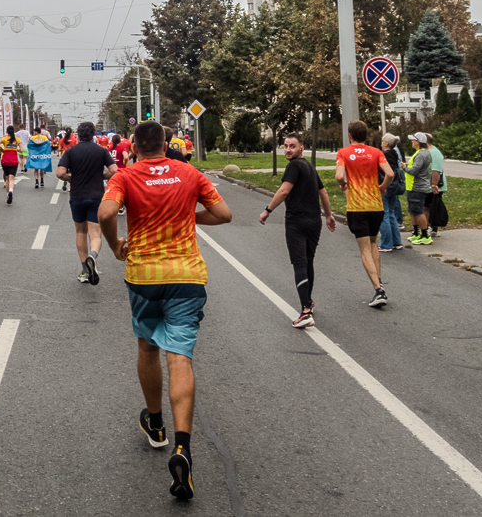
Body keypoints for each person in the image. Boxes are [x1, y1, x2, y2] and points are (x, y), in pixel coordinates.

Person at [97, 120, 232, 501]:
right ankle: (182, 447)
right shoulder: (190, 173)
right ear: (168, 144)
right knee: (181, 358)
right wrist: (188, 217)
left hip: (143, 275)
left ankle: (156, 426)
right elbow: (224, 214)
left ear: (134, 147)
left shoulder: (125, 176)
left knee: (147, 347)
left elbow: (106, 214)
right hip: (188, 276)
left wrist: (114, 246)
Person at [260, 133, 336, 328]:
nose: (288, 150)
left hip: (297, 222)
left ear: (301, 148)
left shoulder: (294, 166)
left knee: (299, 264)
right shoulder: (309, 166)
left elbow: (284, 191)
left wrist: (268, 210)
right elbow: (324, 192)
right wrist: (328, 215)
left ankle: (305, 311)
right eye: (285, 146)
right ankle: (308, 302)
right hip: (314, 222)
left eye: (292, 146)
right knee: (308, 262)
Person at [335, 120, 395, 307]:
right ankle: (379, 282)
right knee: (372, 244)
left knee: (364, 249)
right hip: (376, 206)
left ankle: (378, 290)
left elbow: (338, 175)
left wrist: (343, 185)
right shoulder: (376, 152)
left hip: (357, 207)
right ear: (366, 135)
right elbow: (390, 174)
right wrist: (383, 188)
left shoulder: (343, 153)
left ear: (349, 135)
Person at [56, 121, 116, 284]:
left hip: (77, 195)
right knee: (95, 233)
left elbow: (60, 173)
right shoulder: (101, 151)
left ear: (79, 135)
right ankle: (93, 256)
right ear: (93, 135)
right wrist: (102, 177)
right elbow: (114, 170)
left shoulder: (71, 152)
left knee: (80, 232)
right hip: (97, 196)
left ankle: (84, 270)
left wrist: (71, 178)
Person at [404, 132, 433, 246]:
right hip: (413, 186)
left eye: (413, 140)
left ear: (418, 142)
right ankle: (416, 233)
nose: (412, 141)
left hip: (417, 187)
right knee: (413, 211)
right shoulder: (422, 153)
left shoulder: (420, 155)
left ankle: (425, 235)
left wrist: (404, 167)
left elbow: (415, 171)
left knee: (418, 211)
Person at [378, 133, 405, 253]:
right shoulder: (395, 154)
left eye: (382, 140)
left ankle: (386, 244)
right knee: (392, 213)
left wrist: (382, 185)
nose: (381, 142)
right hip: (395, 186)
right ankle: (396, 241)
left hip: (385, 186)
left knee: (384, 214)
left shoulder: (383, 156)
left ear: (386, 143)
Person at [425, 133, 448, 238]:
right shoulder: (427, 152)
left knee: (431, 207)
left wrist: (434, 185)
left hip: (435, 185)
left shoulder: (434, 153)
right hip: (429, 184)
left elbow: (435, 171)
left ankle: (433, 228)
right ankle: (431, 227)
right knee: (428, 206)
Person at [0, 124, 20, 205]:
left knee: (7, 178)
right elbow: (21, 150)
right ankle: (11, 190)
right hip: (14, 159)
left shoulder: (4, 139)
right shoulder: (17, 139)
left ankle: (8, 195)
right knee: (12, 178)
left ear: (7, 132)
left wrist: (2, 149)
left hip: (5, 160)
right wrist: (15, 149)